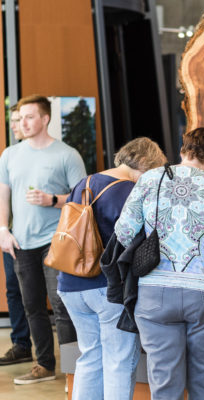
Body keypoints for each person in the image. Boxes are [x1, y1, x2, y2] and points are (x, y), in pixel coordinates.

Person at [115, 127, 204, 400]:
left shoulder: (151, 179)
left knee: (164, 384)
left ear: (183, 150)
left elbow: (124, 232)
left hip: (156, 292)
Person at [57, 137, 167, 400]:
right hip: (106, 288)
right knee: (118, 361)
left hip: (70, 283)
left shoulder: (83, 184)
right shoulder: (128, 190)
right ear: (144, 164)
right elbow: (136, 242)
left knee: (90, 356)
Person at [0, 95, 86, 384]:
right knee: (32, 306)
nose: (22, 122)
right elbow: (4, 196)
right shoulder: (10, 155)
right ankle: (45, 366)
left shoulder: (67, 154)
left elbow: (83, 200)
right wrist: (3, 230)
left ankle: (75, 371)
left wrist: (53, 200)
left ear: (45, 119)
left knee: (62, 306)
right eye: (20, 117)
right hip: (21, 243)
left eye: (29, 117)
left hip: (56, 242)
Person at [0, 105, 32, 365]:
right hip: (13, 236)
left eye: (18, 120)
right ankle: (21, 344)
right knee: (13, 289)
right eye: (12, 121)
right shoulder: (9, 155)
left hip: (41, 237)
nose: (14, 125)